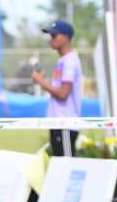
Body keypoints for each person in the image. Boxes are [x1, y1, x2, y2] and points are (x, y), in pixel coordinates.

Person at [32, 19, 82, 156]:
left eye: (54, 35)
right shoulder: (62, 60)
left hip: (65, 123)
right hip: (58, 123)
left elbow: (63, 93)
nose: (51, 39)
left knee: (66, 165)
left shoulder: (70, 60)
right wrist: (42, 80)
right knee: (59, 165)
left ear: (65, 37)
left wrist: (41, 82)